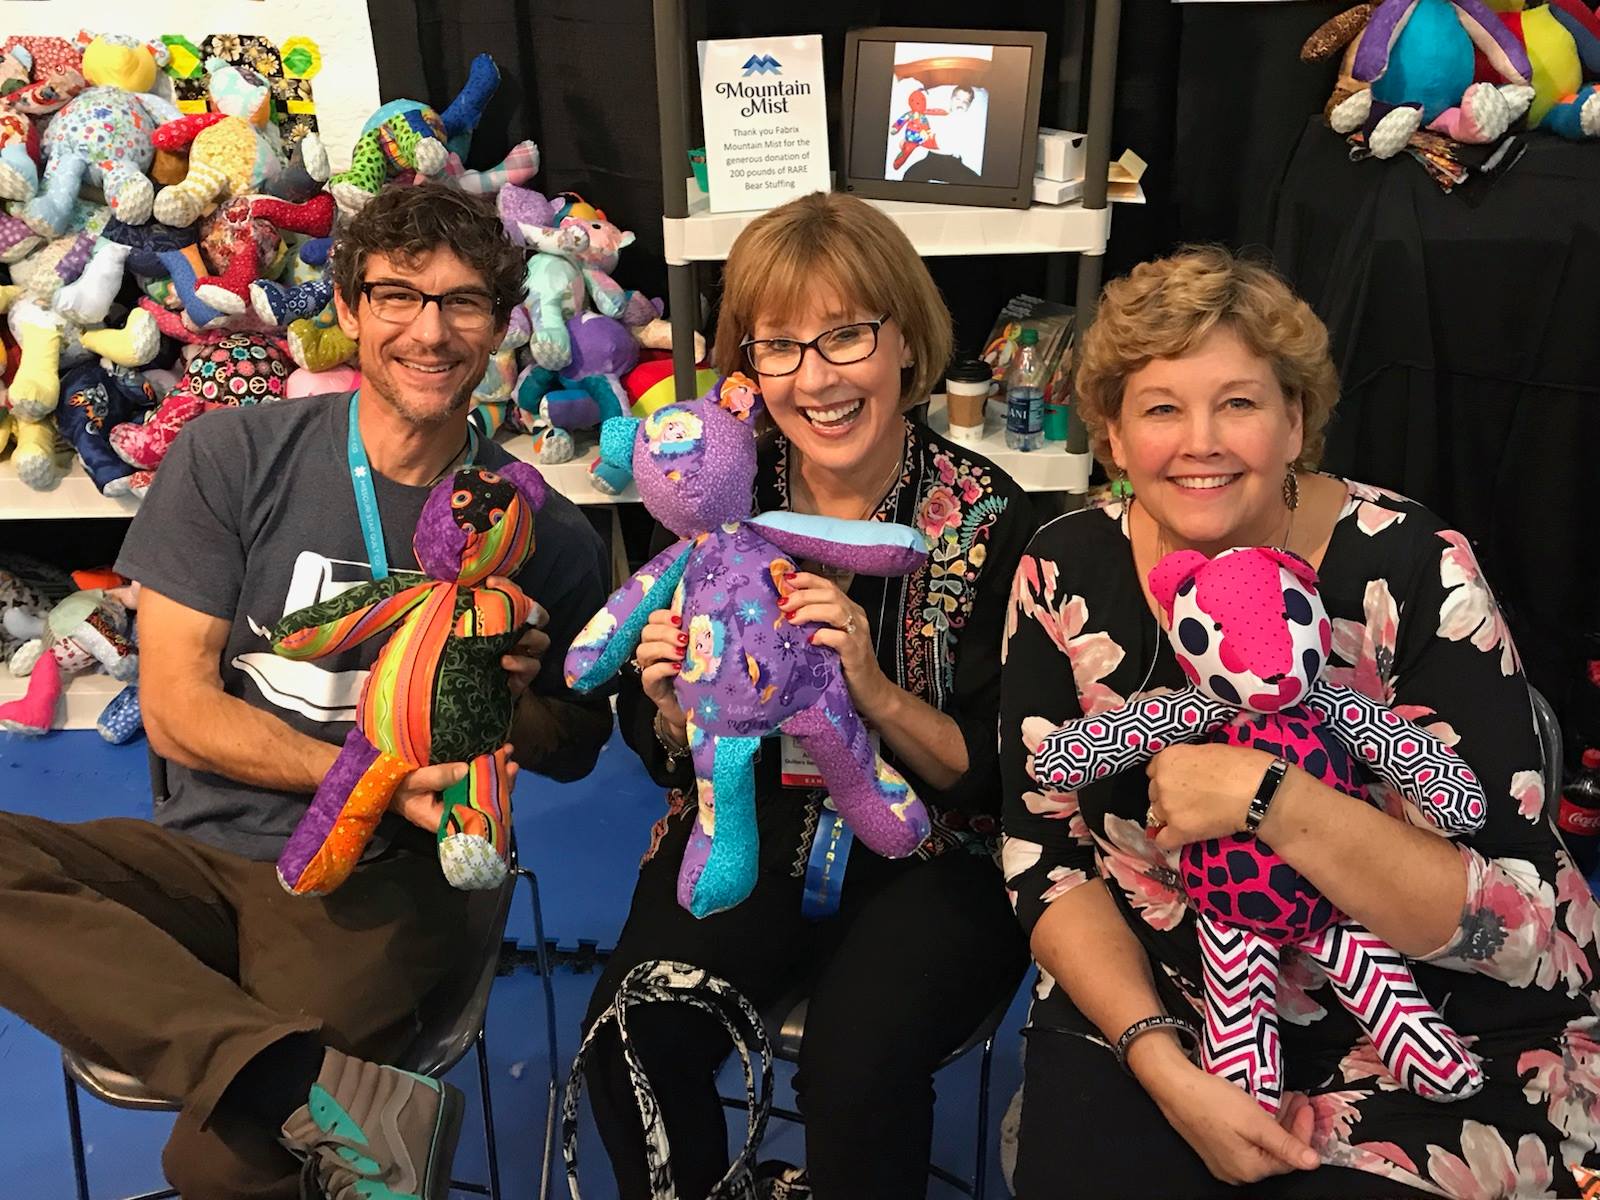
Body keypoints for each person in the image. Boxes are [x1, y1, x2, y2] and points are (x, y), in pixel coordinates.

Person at [0, 181, 613, 1200]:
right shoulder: (232, 457)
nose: (429, 330)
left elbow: (577, 744)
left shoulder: (543, 528)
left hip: (389, 875)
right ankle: (285, 1072)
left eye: (463, 303)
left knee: (220, 1166)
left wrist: (509, 701)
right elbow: (177, 708)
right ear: (345, 307)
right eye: (398, 296)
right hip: (206, 847)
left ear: (501, 327)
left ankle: (278, 1083)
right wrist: (361, 774)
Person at [999, 245, 1600, 1198]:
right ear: (1111, 435)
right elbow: (1045, 854)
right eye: (1160, 407)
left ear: (1297, 422)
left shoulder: (1412, 565)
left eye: (1238, 402)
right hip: (1168, 996)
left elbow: (1511, 921)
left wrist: (1268, 798)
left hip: (1421, 1023)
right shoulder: (1063, 564)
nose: (1201, 442)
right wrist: (1161, 1064)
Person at [582, 190, 1035, 1199]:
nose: (815, 379)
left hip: (932, 848)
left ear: (905, 344)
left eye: (844, 337)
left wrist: (871, 685)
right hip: (745, 823)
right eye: (777, 346)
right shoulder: (719, 480)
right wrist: (663, 704)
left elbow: (1000, 772)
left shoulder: (991, 515)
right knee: (630, 1039)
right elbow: (650, 737)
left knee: (856, 1066)